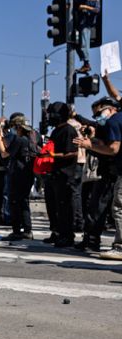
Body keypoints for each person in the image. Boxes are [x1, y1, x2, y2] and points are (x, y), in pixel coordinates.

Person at [74, 97, 122, 260]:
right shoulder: (110, 123)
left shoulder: (114, 122)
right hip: (110, 171)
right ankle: (92, 239)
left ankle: (117, 245)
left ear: (110, 108)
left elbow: (113, 149)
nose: (97, 118)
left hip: (111, 172)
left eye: (99, 113)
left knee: (114, 208)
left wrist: (90, 145)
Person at [0, 115, 35, 241]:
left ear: (18, 127)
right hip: (28, 173)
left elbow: (5, 153)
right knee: (24, 202)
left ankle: (17, 231)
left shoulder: (19, 139)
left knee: (15, 202)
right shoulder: (31, 138)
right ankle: (27, 230)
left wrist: (0, 141)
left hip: (18, 174)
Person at [45, 102, 79, 247]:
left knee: (64, 207)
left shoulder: (69, 130)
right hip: (53, 173)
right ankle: (56, 232)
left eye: (53, 115)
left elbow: (73, 151)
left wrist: (54, 155)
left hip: (65, 175)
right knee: (53, 206)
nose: (50, 118)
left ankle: (67, 235)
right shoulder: (55, 131)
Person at [74, 0, 101, 74]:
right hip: (81, 23)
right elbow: (75, 3)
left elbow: (97, 10)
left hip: (87, 24)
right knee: (76, 44)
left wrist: (85, 7)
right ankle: (85, 62)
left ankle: (86, 64)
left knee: (84, 45)